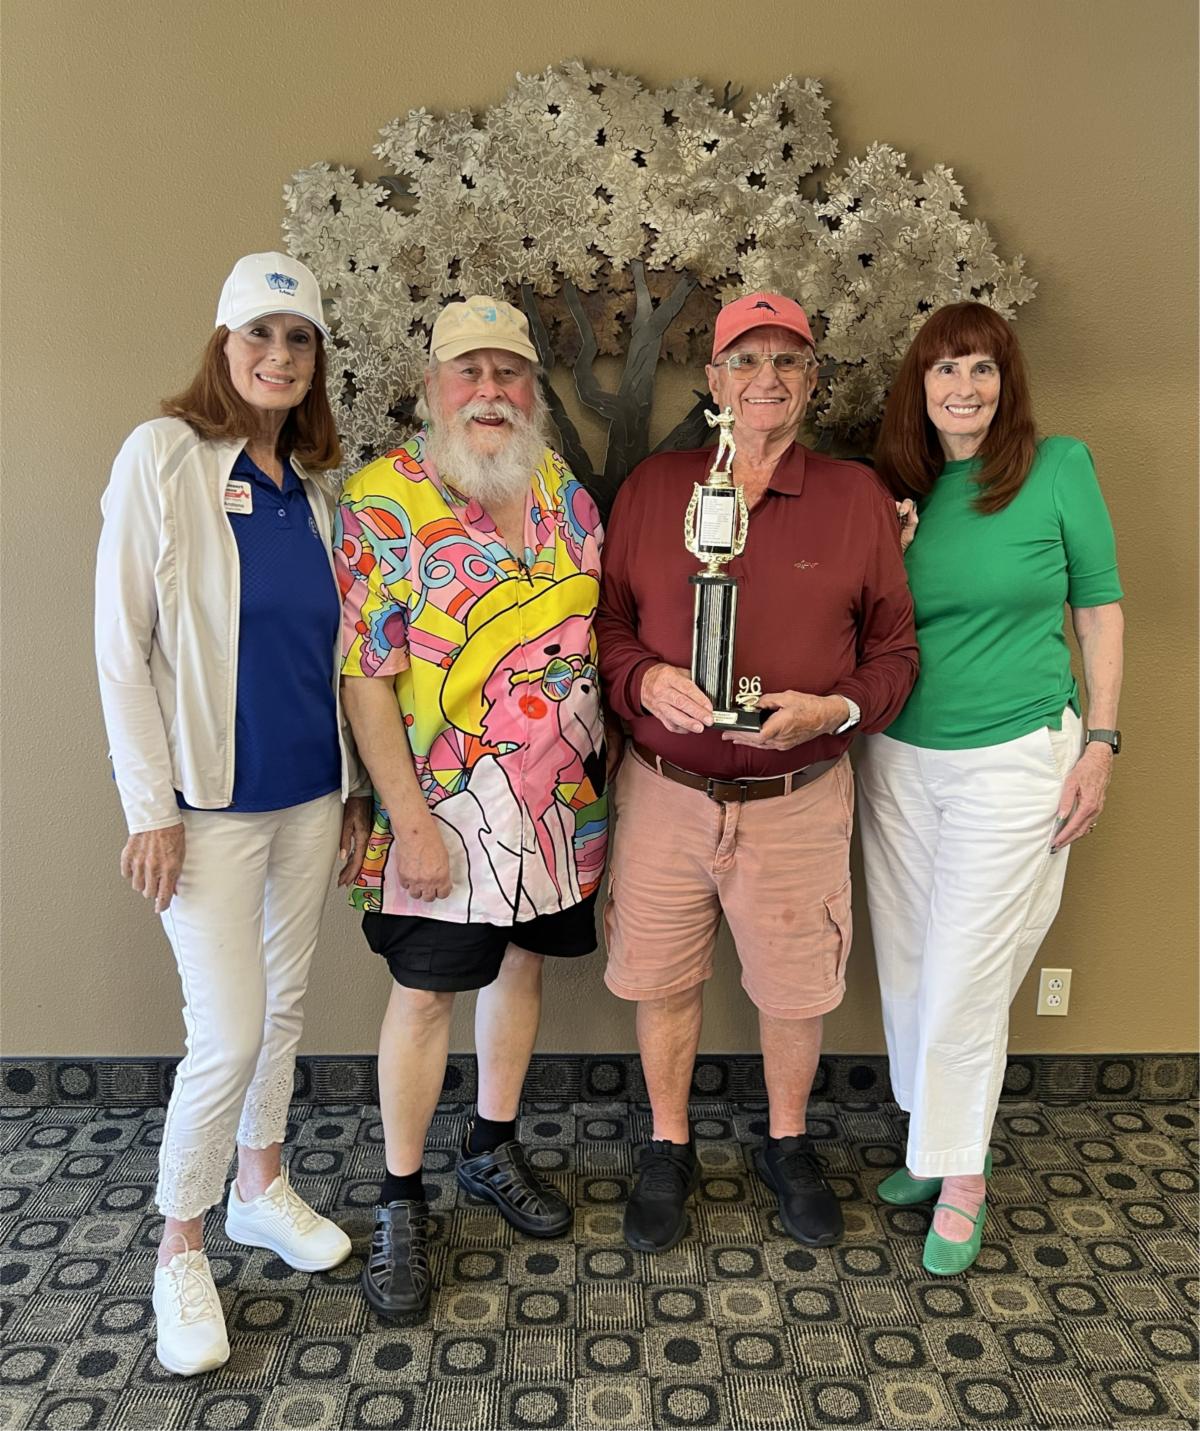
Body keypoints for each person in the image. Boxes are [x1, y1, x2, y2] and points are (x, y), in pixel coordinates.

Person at [94, 252, 371, 1375]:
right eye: (259, 334)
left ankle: (261, 1184)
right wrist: (148, 808)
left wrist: (354, 789)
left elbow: (337, 659)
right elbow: (122, 651)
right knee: (230, 1031)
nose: (278, 355)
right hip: (203, 809)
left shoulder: (315, 490)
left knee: (285, 1007)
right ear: (224, 345)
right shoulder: (163, 455)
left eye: (299, 339)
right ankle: (180, 1245)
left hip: (308, 795)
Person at [596, 292, 918, 1253]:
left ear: (813, 380)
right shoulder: (656, 488)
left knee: (794, 989)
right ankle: (668, 1142)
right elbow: (608, 624)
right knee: (662, 978)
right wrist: (644, 678)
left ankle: (787, 1140)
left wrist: (835, 709)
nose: (765, 377)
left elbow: (895, 652)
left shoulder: (856, 498)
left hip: (797, 797)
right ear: (713, 379)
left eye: (787, 359)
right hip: (666, 791)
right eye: (745, 359)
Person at [337, 296, 608, 1321]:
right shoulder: (382, 501)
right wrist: (407, 819)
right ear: (432, 388)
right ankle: (400, 1197)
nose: (490, 392)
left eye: (509, 373)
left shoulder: (562, 490)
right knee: (424, 995)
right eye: (469, 372)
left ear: (532, 390)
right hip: (441, 813)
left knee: (523, 969)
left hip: (557, 807)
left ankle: (491, 1145)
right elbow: (367, 677)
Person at [861, 300, 1124, 1275]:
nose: (964, 387)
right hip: (897, 758)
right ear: (919, 387)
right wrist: (887, 549)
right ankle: (933, 1145)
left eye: (982, 368)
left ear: (1006, 382)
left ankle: (961, 1176)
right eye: (945, 370)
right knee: (907, 965)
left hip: (1017, 756)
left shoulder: (1058, 468)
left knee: (967, 972)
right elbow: (857, 623)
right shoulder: (894, 490)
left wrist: (1101, 743)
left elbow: (1099, 610)